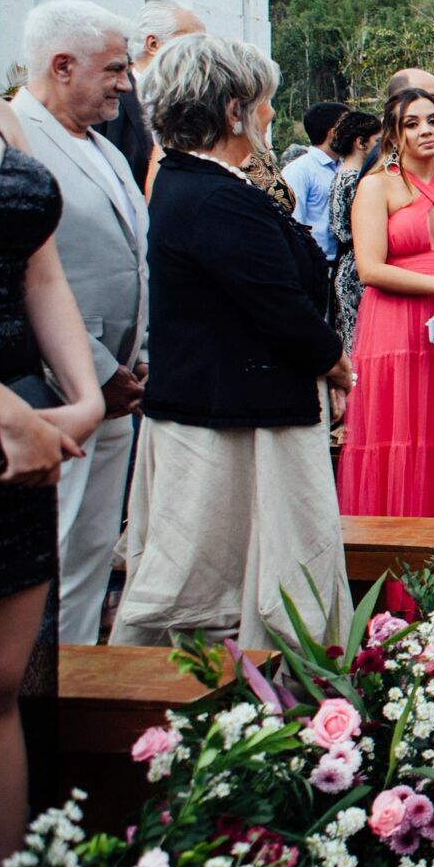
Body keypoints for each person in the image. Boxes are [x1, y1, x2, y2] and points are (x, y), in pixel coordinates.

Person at [111, 34, 353, 650]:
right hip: (237, 423)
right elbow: (276, 301)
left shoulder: (196, 183)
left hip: (233, 405)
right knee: (229, 582)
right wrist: (334, 360)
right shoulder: (215, 195)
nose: (272, 114)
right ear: (234, 110)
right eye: (264, 101)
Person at [0, 0, 107, 866]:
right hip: (6, 420)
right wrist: (7, 411)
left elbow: (42, 271)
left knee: (2, 686)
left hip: (32, 420)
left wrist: (84, 394)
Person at [11, 0, 149, 646]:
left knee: (93, 550)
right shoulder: (14, 136)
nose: (125, 82)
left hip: (120, 391)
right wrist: (96, 374)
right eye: (114, 69)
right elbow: (33, 276)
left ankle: (76, 680)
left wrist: (138, 360)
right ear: (63, 66)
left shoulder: (106, 147)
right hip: (51, 392)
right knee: (50, 555)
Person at [338, 87, 434, 536]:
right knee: (399, 437)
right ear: (394, 134)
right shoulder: (377, 185)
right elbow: (370, 268)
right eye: (412, 123)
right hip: (394, 324)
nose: (425, 130)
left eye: (432, 120)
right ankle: (394, 567)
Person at [100, 0, 199, 192]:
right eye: (193, 43)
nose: (202, 55)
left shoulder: (198, 107)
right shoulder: (107, 102)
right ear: (153, 44)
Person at [327, 109, 382, 351]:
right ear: (360, 142)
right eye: (378, 141)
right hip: (359, 264)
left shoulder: (340, 177)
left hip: (348, 262)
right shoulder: (355, 181)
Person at [282, 101, 348, 264]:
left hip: (343, 266)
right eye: (349, 127)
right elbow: (293, 225)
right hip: (318, 265)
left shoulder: (345, 168)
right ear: (334, 132)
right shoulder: (299, 171)